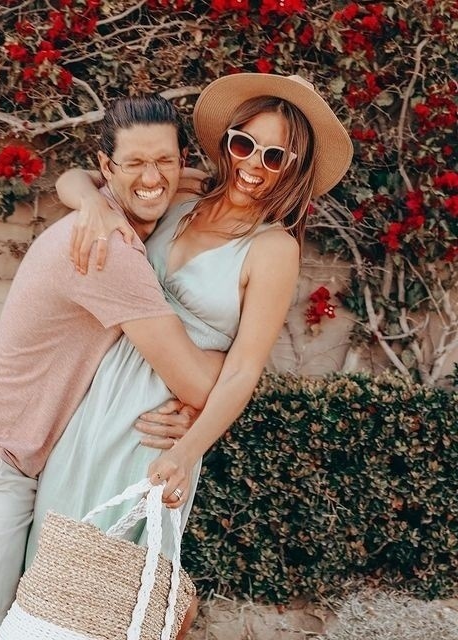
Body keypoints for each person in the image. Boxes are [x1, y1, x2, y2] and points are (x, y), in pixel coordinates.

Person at [25, 72, 353, 586]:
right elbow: (80, 178)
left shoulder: (274, 248)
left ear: (294, 168)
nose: (253, 164)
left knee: (115, 590)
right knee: (47, 575)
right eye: (245, 145)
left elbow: (244, 368)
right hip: (95, 405)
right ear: (228, 142)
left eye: (274, 156)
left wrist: (186, 451)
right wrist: (89, 202)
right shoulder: (180, 198)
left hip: (157, 430)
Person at [0, 95, 228, 640]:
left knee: (46, 617)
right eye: (134, 163)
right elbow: (194, 381)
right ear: (107, 166)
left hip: (52, 454)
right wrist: (240, 363)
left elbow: (95, 179)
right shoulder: (108, 250)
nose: (152, 177)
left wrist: (85, 192)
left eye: (164, 161)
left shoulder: (134, 203)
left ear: (181, 160)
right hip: (1, 454)